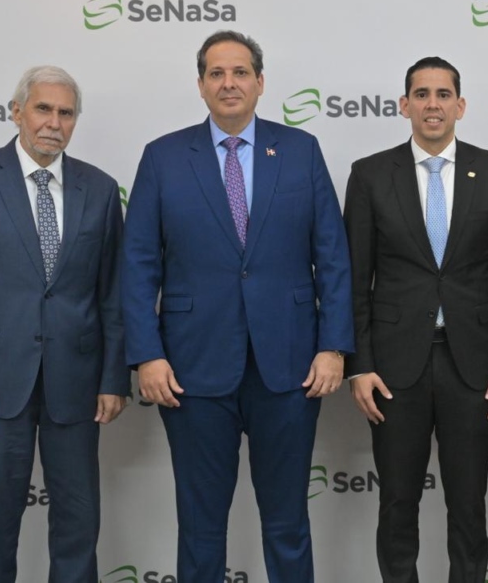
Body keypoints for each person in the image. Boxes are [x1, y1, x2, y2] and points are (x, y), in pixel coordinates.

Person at [122, 30, 354, 583]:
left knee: (287, 522)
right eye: (217, 73)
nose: (230, 83)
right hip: (191, 368)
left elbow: (333, 256)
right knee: (200, 525)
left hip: (291, 367)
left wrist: (333, 346)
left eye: (241, 72)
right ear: (201, 85)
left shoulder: (300, 149)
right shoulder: (162, 157)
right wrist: (147, 355)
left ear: (260, 82)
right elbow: (137, 265)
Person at [0, 65, 128, 583]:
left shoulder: (100, 189)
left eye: (66, 113)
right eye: (43, 109)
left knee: (79, 527)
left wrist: (113, 378)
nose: (54, 123)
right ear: (17, 111)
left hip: (77, 385)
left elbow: (112, 294)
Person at [343, 56, 488, 583]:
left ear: (460, 106)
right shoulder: (370, 174)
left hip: (474, 366)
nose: (432, 104)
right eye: (421, 94)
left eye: (443, 94)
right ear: (404, 105)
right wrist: (360, 364)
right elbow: (354, 280)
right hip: (392, 368)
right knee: (397, 503)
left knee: (469, 505)